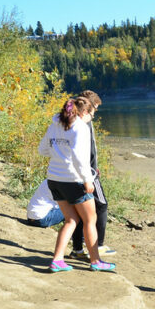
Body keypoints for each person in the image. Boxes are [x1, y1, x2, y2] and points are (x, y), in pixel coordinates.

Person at [37, 96, 116, 272]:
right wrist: (88, 181)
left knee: (71, 220)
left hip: (54, 179)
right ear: (84, 112)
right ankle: (96, 261)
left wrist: (59, 153)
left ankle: (57, 260)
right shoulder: (80, 128)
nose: (93, 118)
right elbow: (80, 159)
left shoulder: (55, 125)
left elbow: (42, 150)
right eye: (92, 113)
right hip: (74, 180)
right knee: (90, 220)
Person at [70, 90, 115, 260]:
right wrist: (91, 170)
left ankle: (77, 248)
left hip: (84, 171)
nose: (95, 113)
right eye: (95, 108)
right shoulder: (83, 122)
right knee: (101, 205)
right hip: (87, 173)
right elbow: (85, 150)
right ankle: (99, 245)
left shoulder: (73, 120)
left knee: (80, 207)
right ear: (87, 107)